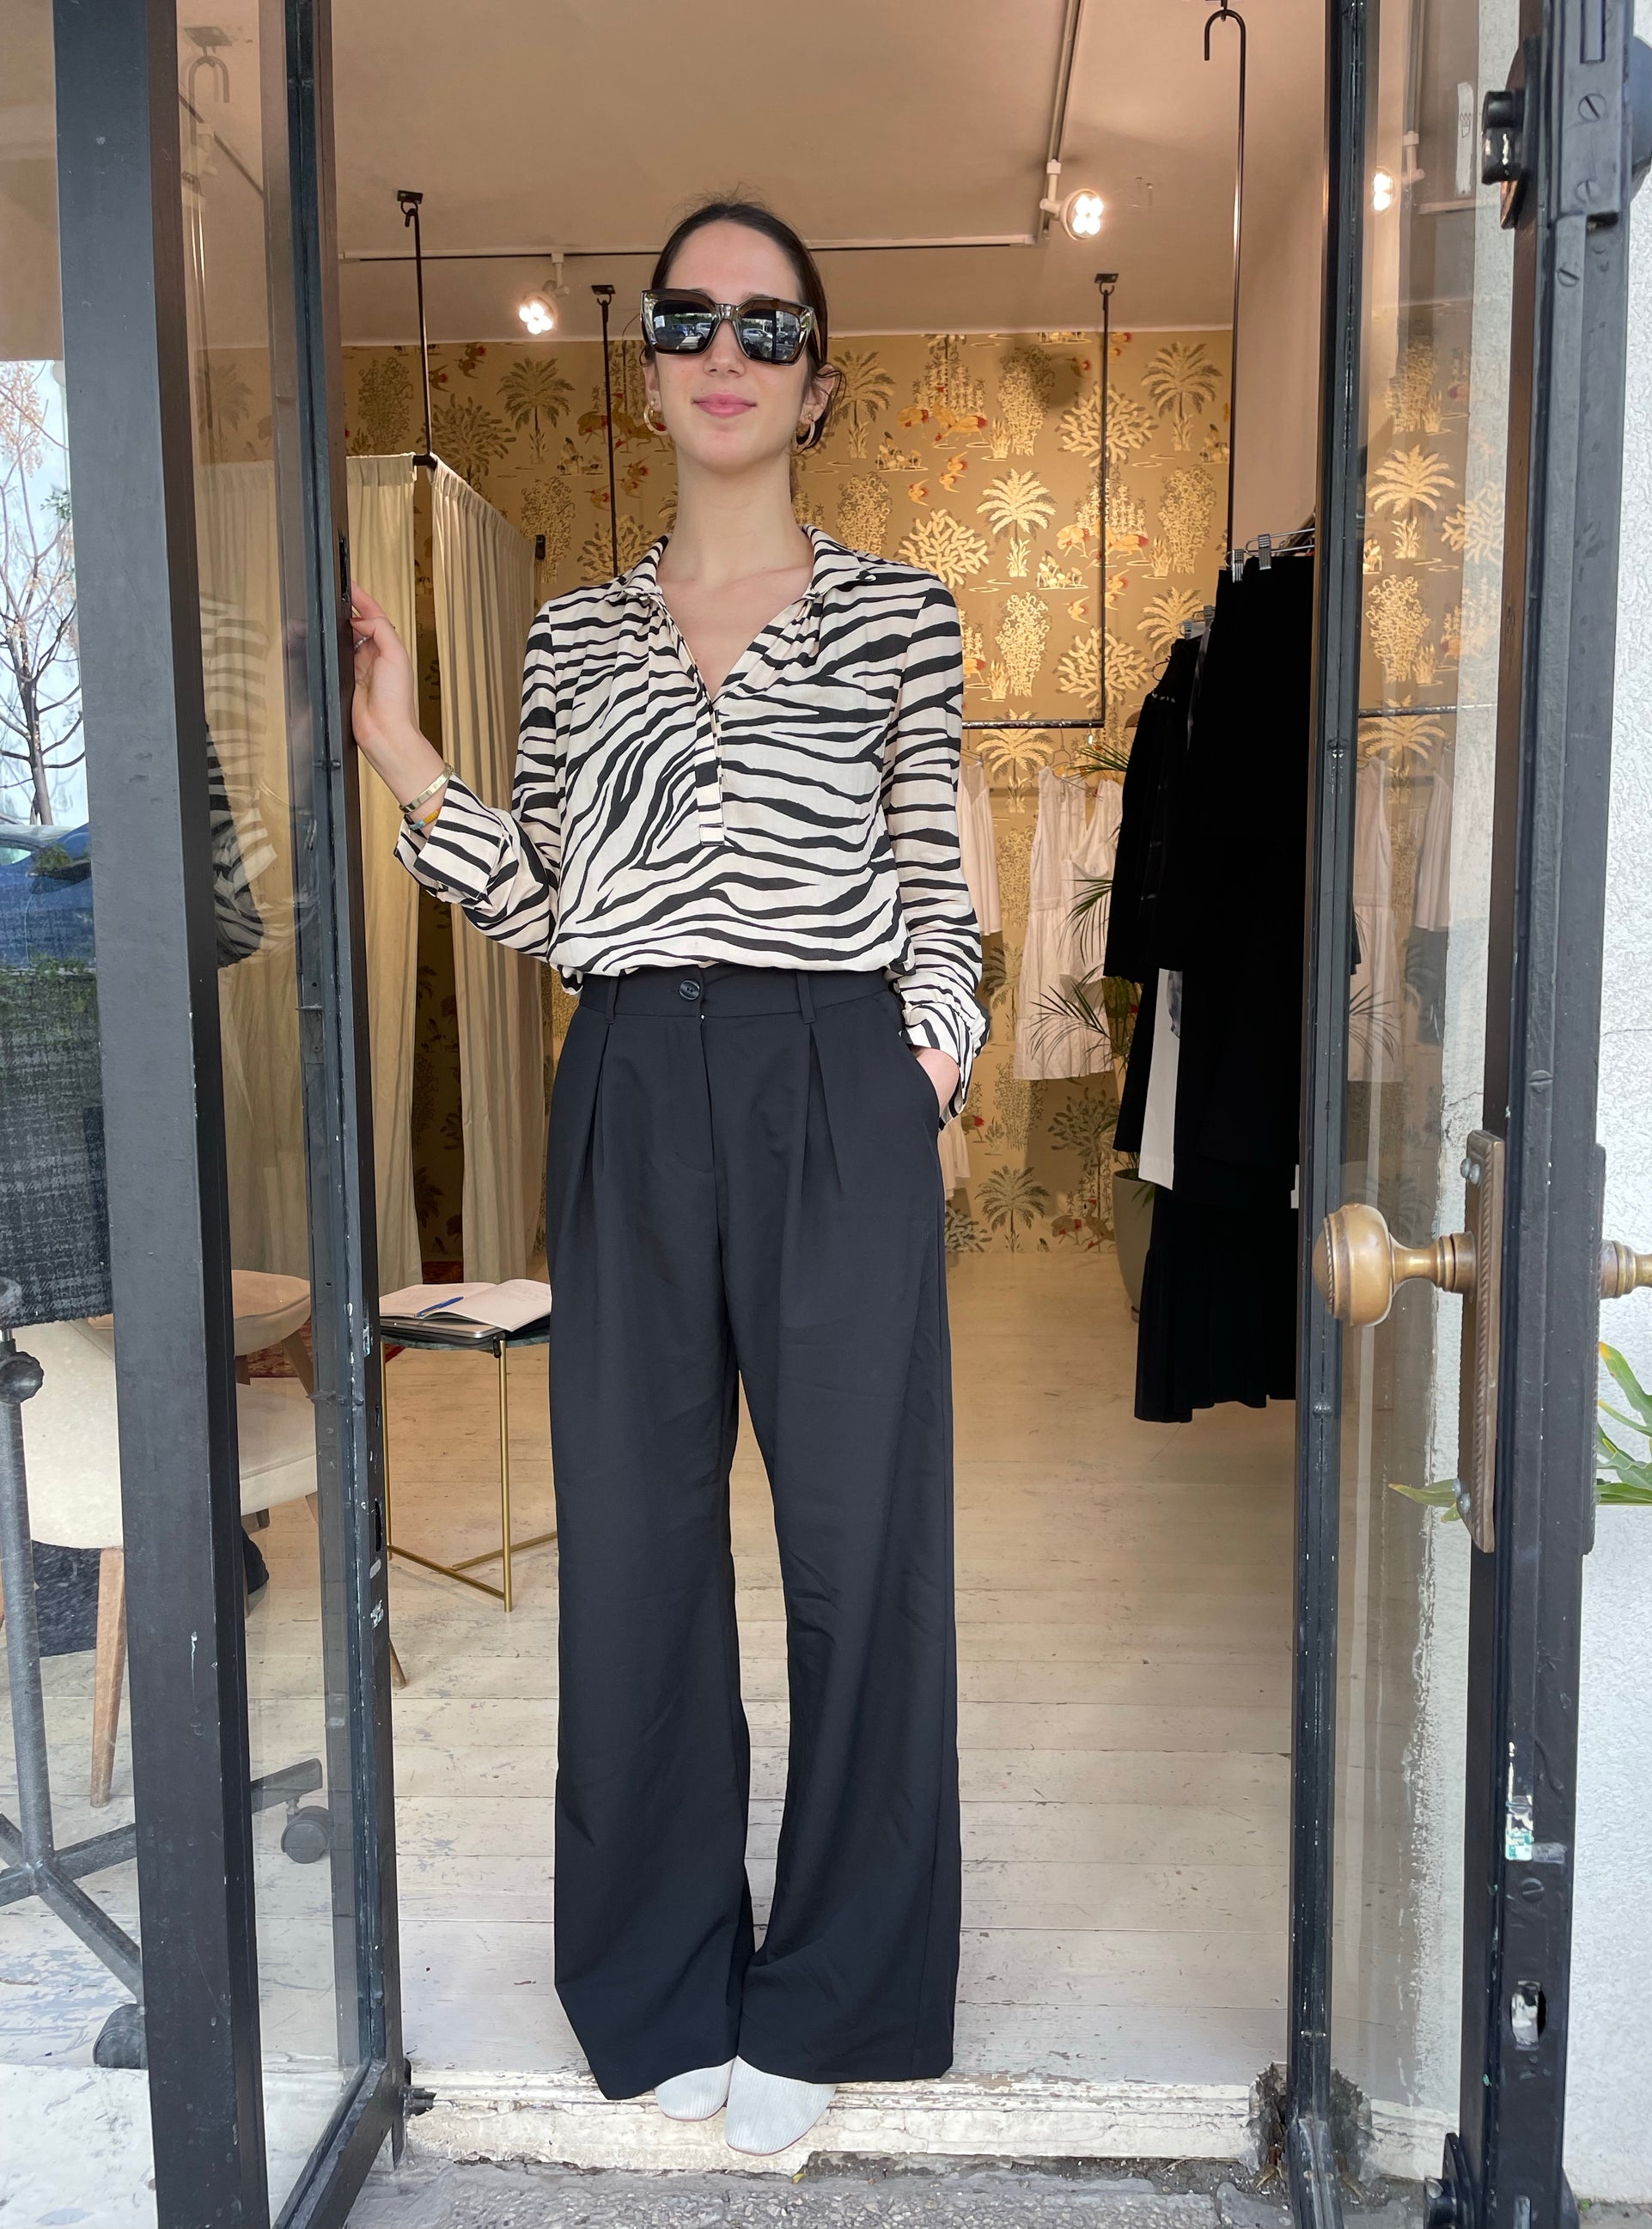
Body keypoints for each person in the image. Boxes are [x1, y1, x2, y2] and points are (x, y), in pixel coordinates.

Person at [347, 199, 988, 2156]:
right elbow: (553, 899)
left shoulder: (900, 614)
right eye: (688, 317)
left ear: (817, 378)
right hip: (630, 1070)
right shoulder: (572, 637)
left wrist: (927, 1058)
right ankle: (652, 1968)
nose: (725, 350)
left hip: (833, 1074)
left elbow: (936, 872)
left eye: (767, 324)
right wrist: (399, 750)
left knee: (861, 1544)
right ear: (644, 363)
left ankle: (843, 1985)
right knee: (631, 1541)